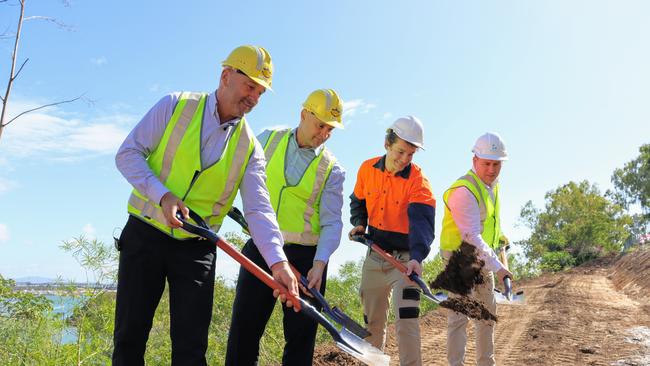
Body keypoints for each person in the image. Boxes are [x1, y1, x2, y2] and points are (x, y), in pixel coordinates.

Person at [112, 45, 299, 366]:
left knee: (191, 349)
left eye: (261, 92)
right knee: (130, 338)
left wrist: (278, 263)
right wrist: (163, 194)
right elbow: (127, 154)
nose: (254, 98)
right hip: (145, 235)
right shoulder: (174, 106)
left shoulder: (250, 147)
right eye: (250, 86)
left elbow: (259, 210)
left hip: (197, 250)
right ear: (226, 76)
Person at [225, 88, 346, 366]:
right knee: (244, 332)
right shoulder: (268, 139)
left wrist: (320, 263)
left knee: (300, 340)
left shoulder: (332, 169)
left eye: (331, 129)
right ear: (304, 115)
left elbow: (332, 222)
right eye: (320, 125)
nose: (324, 134)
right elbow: (236, 173)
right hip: (260, 249)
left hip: (306, 262)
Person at [348, 116, 436, 366]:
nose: (405, 159)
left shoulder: (418, 181)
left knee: (407, 320)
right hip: (376, 255)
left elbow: (422, 223)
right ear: (387, 143)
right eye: (400, 151)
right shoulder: (367, 169)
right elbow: (358, 200)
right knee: (372, 323)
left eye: (411, 154)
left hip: (406, 261)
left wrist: (417, 258)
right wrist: (359, 223)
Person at [439, 132, 514, 366]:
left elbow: (485, 219)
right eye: (486, 164)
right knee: (459, 316)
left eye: (496, 164)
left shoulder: (493, 185)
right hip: (459, 258)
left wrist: (499, 235)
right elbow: (471, 236)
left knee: (487, 316)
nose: (491, 170)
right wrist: (501, 269)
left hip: (483, 256)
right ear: (475, 161)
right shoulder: (464, 191)